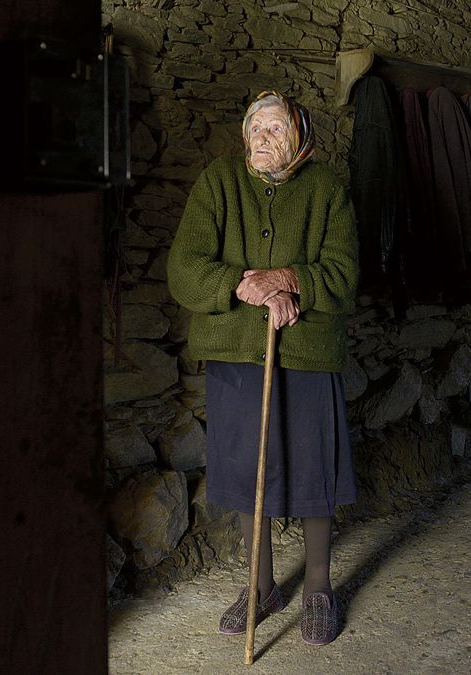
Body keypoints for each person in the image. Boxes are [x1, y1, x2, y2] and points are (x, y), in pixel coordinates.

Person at [167, 91, 359, 646]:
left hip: (308, 353)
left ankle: (319, 587)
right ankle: (261, 586)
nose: (262, 137)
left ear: (298, 137)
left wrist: (289, 279)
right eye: (254, 127)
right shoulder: (219, 183)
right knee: (248, 464)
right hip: (236, 353)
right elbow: (185, 268)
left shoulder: (326, 190)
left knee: (313, 466)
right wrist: (245, 286)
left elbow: (343, 273)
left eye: (275, 128)